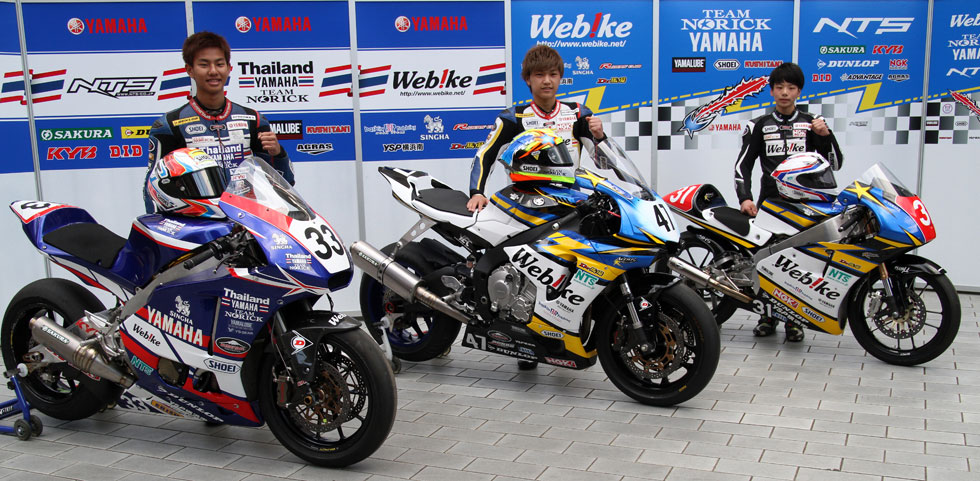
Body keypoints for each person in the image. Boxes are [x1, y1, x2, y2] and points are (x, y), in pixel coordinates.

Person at [733, 62, 843, 342]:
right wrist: (745, 198)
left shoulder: (813, 122)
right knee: (766, 260)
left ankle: (796, 320)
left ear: (799, 91)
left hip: (805, 205)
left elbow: (835, 163)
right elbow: (743, 165)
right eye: (779, 87)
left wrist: (825, 136)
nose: (784, 92)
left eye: (790, 87)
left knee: (802, 262)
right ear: (771, 91)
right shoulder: (758, 125)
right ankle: (767, 316)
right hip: (770, 205)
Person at [143, 31, 293, 213]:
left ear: (229, 68)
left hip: (248, 219)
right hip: (198, 221)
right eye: (204, 64)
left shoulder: (253, 120)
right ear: (189, 70)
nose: (213, 71)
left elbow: (284, 183)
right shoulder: (170, 125)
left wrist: (278, 153)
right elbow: (153, 187)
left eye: (219, 64)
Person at [466, 44, 606, 213]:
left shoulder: (578, 113)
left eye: (553, 74)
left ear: (560, 78)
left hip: (570, 203)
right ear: (528, 79)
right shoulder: (513, 117)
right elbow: (485, 155)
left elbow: (603, 164)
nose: (547, 81)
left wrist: (600, 137)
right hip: (526, 204)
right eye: (539, 75)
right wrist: (477, 193)